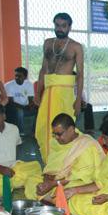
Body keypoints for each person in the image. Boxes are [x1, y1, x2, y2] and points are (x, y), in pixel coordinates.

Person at [34, 12, 84, 163]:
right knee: (43, 129)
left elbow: (80, 74)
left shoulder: (76, 47)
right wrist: (37, 94)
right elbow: (43, 70)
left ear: (69, 27)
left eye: (63, 26)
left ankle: (65, 162)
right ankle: (49, 162)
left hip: (65, 94)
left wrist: (78, 100)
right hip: (48, 93)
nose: (60, 29)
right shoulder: (48, 43)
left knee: (65, 129)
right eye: (57, 25)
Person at [24, 113, 103, 200]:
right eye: (54, 134)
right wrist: (47, 180)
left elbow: (81, 176)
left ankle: (50, 199)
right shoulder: (54, 142)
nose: (56, 137)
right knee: (31, 180)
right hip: (54, 180)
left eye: (59, 134)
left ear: (71, 130)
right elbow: (50, 166)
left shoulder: (85, 145)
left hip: (73, 182)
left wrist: (53, 183)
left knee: (71, 190)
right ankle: (51, 199)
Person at [0, 104, 42, 197]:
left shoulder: (14, 129)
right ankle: (10, 183)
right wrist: (0, 168)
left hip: (12, 167)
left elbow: (17, 147)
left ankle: (12, 182)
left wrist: (11, 167)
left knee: (35, 168)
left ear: (4, 116)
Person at [4, 66, 37, 135]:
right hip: (13, 109)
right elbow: (10, 102)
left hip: (25, 108)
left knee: (39, 110)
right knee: (20, 111)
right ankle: (20, 133)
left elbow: (31, 99)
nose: (17, 78)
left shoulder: (29, 84)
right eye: (16, 75)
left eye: (19, 76)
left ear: (25, 77)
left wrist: (31, 105)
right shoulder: (9, 85)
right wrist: (23, 107)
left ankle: (34, 131)